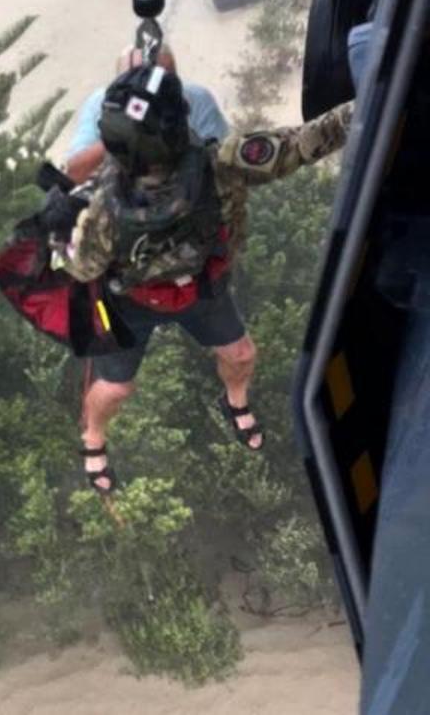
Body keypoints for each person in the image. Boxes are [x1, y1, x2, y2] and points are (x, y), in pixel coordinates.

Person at [50, 64, 353, 493]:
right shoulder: (220, 164)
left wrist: (63, 230)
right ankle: (93, 437)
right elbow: (304, 143)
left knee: (241, 354)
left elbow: (78, 268)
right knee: (114, 388)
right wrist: (372, 102)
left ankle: (234, 401)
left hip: (202, 289)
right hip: (130, 304)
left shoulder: (104, 207)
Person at [65, 45, 229, 183]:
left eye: (161, 85)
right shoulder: (102, 105)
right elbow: (75, 174)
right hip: (124, 203)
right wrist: (120, 130)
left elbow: (225, 166)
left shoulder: (196, 99)